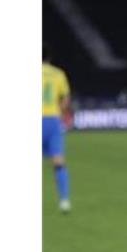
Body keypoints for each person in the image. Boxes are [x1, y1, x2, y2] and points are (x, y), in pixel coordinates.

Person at [42, 44, 72, 214]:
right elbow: (65, 98)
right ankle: (64, 200)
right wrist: (60, 112)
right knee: (58, 161)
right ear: (49, 58)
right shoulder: (58, 74)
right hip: (52, 119)